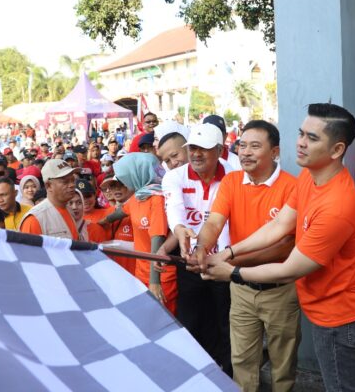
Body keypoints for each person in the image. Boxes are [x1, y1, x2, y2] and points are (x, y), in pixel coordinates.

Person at [204, 104, 355, 392]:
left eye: (312, 138)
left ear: (336, 150)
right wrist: (227, 253)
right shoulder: (310, 175)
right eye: (301, 133)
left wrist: (232, 272)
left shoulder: (338, 205)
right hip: (321, 307)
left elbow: (290, 267)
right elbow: (279, 225)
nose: (301, 142)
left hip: (338, 317)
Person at [194, 120, 299, 391]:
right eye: (242, 145)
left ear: (275, 152)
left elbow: (285, 246)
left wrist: (229, 263)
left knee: (282, 364)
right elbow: (214, 223)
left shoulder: (292, 187)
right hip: (240, 290)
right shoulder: (231, 182)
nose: (245, 152)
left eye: (255, 146)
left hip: (280, 290)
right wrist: (201, 249)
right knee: (242, 361)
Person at [161, 123, 234, 374]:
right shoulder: (174, 176)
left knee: (226, 323)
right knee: (191, 321)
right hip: (189, 261)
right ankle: (193, 374)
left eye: (203, 148)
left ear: (220, 151)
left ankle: (229, 378)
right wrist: (180, 230)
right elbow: (175, 210)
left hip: (225, 263)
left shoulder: (235, 175)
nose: (196, 154)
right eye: (192, 148)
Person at [108, 153, 177, 314]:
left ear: (138, 174)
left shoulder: (157, 199)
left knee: (163, 321)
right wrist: (100, 222)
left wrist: (155, 282)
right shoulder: (139, 196)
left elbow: (157, 238)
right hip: (141, 272)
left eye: (126, 177)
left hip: (160, 275)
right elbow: (121, 212)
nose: (124, 182)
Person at [19, 159, 80, 239]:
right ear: (48, 185)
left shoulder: (69, 210)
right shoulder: (34, 219)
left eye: (73, 180)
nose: (72, 185)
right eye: (65, 182)